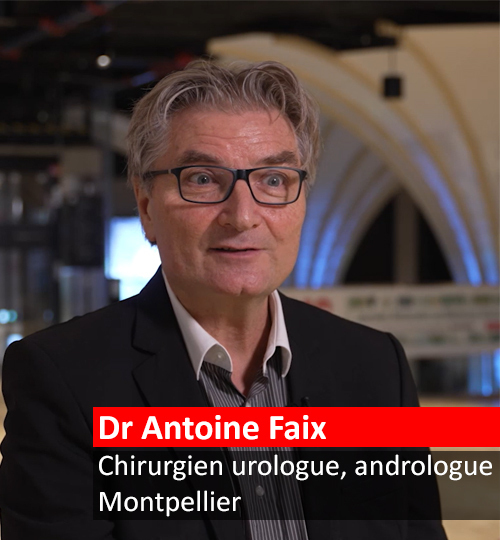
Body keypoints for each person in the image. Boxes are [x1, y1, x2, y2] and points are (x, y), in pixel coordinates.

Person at [0, 60, 447, 540]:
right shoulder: (65, 379)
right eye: (202, 179)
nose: (242, 215)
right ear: (147, 207)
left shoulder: (375, 366)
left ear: (301, 202)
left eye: (273, 179)